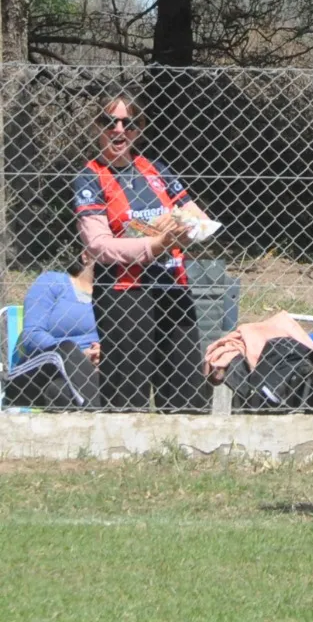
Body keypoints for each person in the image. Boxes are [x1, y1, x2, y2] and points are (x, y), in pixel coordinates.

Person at [73, 94, 211, 411]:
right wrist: (157, 242)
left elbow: (199, 221)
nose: (119, 130)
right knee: (127, 398)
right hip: (125, 294)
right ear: (97, 126)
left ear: (140, 129)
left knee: (186, 395)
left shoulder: (157, 169)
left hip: (173, 286)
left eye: (129, 123)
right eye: (110, 122)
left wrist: (180, 225)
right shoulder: (90, 176)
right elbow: (99, 245)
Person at [6, 251, 102, 409]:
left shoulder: (112, 297)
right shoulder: (52, 282)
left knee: (60, 391)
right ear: (86, 256)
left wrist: (104, 353)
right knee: (68, 349)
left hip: (88, 376)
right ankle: (100, 415)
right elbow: (32, 335)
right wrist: (80, 356)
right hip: (37, 371)